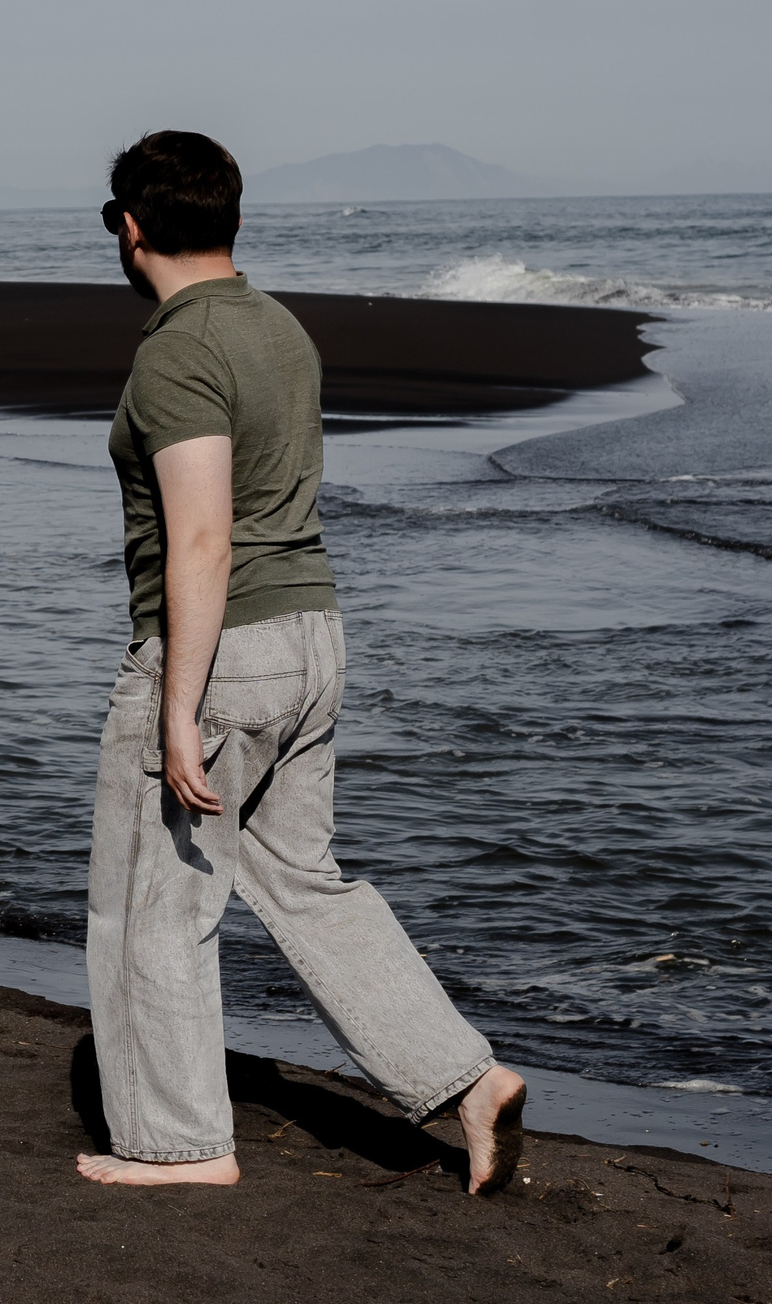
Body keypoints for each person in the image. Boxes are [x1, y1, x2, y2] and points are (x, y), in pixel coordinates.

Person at [74, 130, 526, 1194]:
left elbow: (201, 536)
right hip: (311, 640)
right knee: (301, 882)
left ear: (131, 230)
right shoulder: (278, 327)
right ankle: (467, 1083)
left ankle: (177, 1142)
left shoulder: (177, 349)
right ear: (229, 221)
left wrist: (177, 707)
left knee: (153, 902)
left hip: (222, 653)